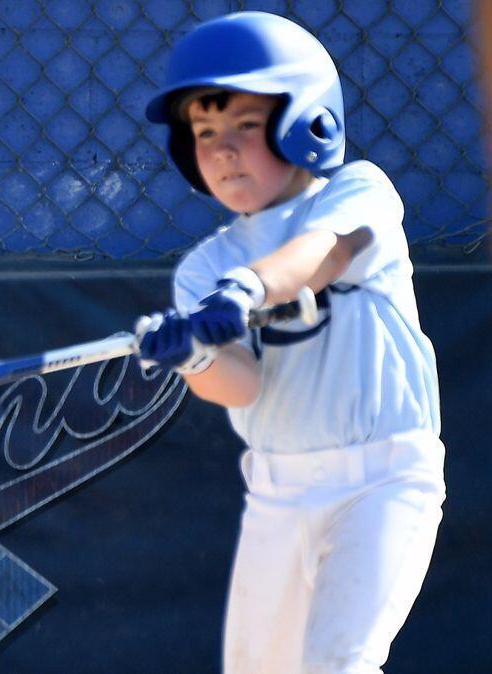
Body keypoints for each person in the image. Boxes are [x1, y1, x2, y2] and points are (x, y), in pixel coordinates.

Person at [137, 11, 445, 674]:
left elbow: (324, 256)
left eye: (246, 127)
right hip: (277, 492)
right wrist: (193, 356)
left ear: (309, 124)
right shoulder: (201, 269)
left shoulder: (358, 193)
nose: (222, 150)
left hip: (383, 478)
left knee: (339, 660)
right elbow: (243, 384)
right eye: (205, 131)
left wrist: (248, 288)